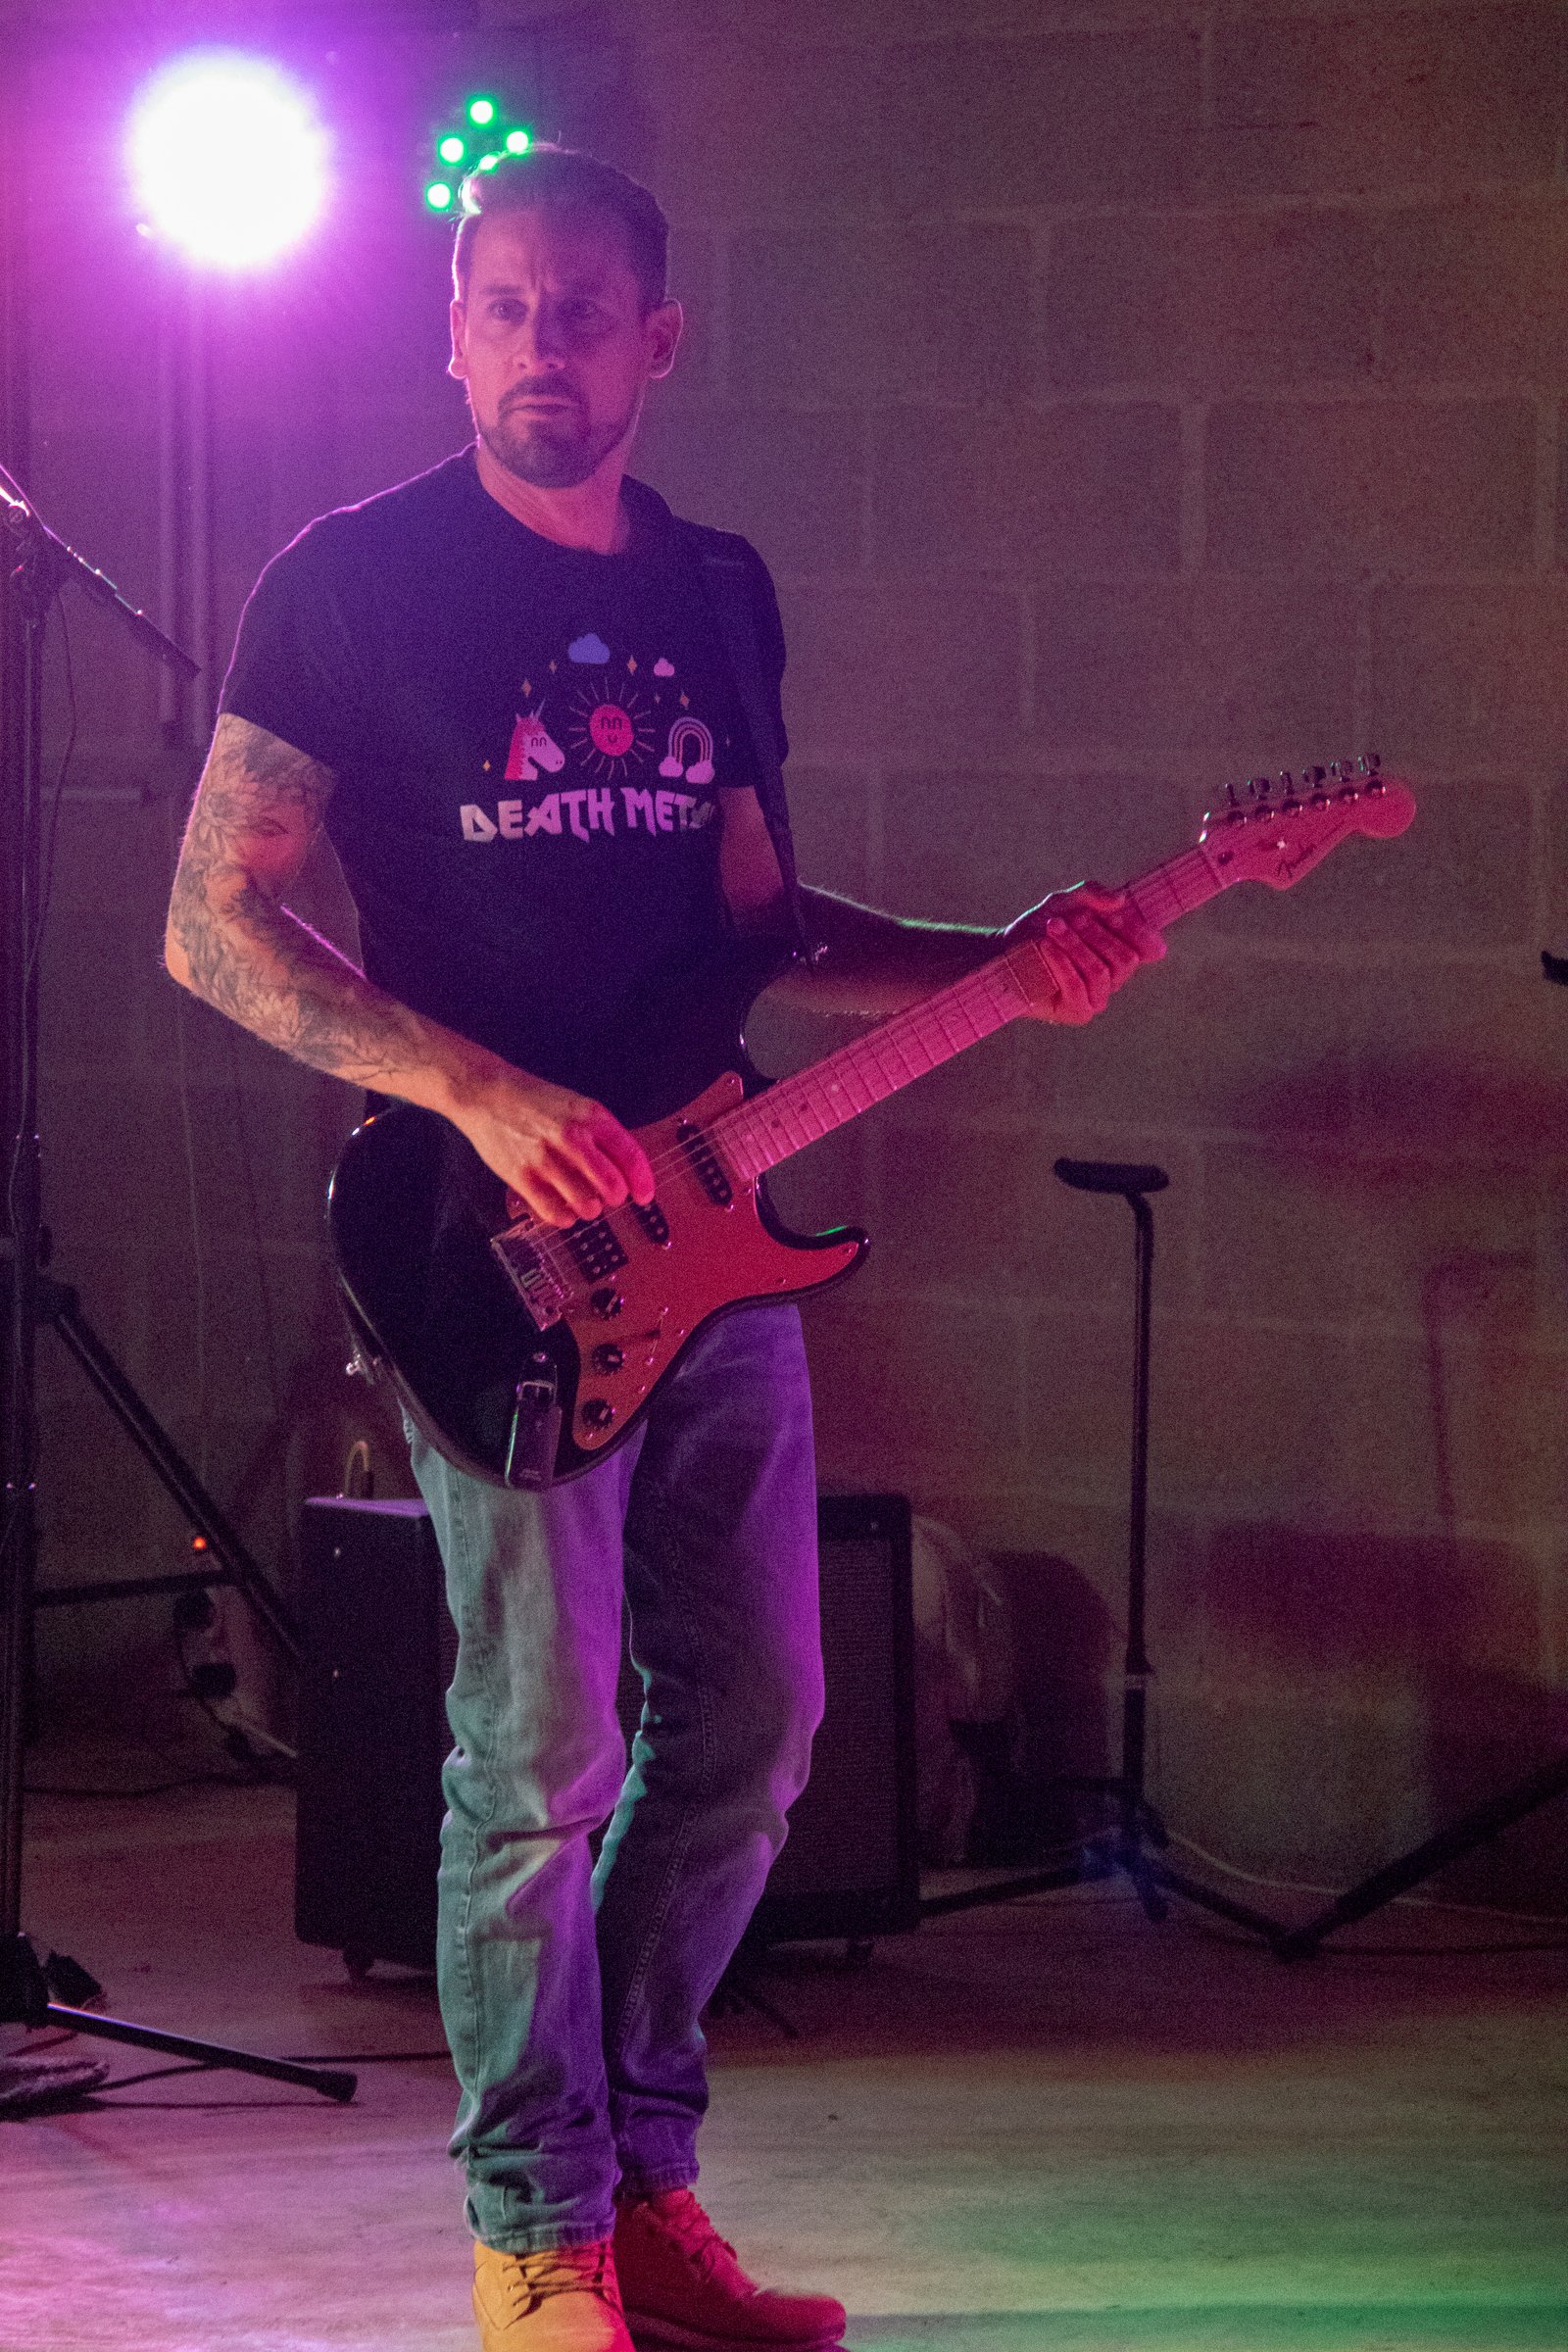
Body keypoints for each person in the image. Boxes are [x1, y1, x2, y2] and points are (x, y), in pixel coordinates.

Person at [164, 145, 1165, 2352]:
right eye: (504, 306)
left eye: (585, 310)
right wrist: (473, 1089)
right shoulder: (350, 580)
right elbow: (211, 928)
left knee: (757, 1733)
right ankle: (530, 2229)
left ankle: (637, 2186)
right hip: (481, 1246)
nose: (544, 345)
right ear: (451, 330)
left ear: (657, 341)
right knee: (533, 1762)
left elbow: (760, 919)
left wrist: (993, 962)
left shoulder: (717, 587)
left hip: (711, 1233)